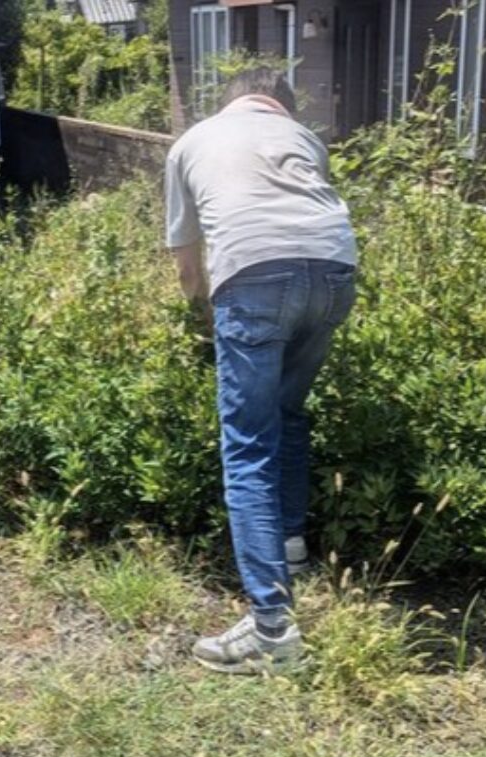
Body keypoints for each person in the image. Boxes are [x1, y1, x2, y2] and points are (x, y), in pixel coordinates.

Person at [163, 68, 358, 672]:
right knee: (288, 410)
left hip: (253, 275)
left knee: (247, 443)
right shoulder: (305, 138)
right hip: (334, 274)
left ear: (231, 102)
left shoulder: (192, 141)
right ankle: (290, 544)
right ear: (282, 107)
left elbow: (189, 267)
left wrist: (202, 314)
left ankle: (273, 631)